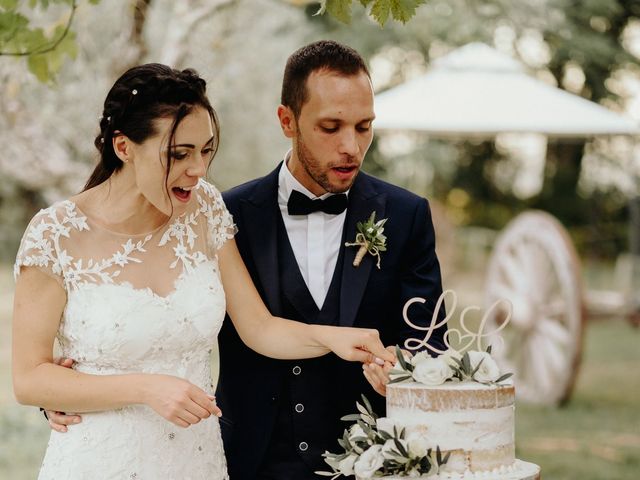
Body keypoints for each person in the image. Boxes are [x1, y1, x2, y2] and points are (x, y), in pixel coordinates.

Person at [12, 63, 394, 480]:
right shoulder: (54, 234)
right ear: (124, 147)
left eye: (206, 150)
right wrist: (146, 388)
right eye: (179, 154)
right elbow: (29, 379)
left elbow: (259, 328)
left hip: (196, 460)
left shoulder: (205, 210)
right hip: (98, 460)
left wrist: (334, 337)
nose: (198, 170)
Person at [214, 40, 448, 479]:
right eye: (331, 127)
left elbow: (430, 339)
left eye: (364, 127)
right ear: (287, 120)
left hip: (373, 461)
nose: (351, 147)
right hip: (250, 459)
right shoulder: (227, 216)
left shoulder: (405, 215)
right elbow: (171, 321)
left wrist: (406, 368)